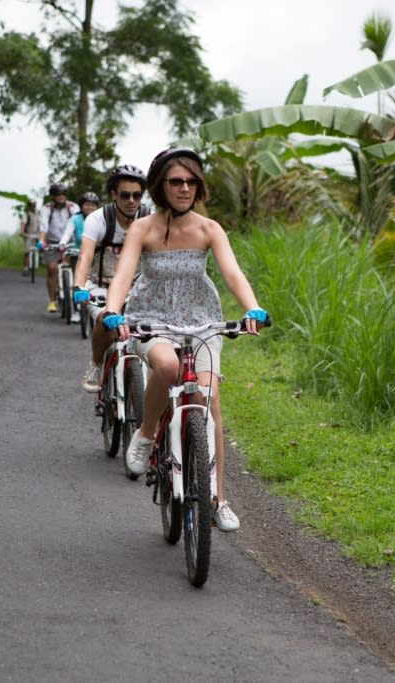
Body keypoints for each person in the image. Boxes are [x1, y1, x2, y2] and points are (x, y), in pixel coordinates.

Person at [101, 148, 269, 532]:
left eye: (191, 181)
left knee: (208, 403)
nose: (185, 188)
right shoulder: (143, 229)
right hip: (152, 320)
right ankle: (145, 436)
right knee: (168, 366)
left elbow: (232, 273)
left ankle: (217, 499)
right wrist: (114, 310)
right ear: (161, 186)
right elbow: (124, 274)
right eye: (176, 181)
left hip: (201, 322)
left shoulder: (209, 229)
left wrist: (252, 308)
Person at [71, 165, 150, 391]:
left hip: (138, 288)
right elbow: (85, 256)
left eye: (137, 195)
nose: (131, 201)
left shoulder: (149, 218)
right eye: (125, 195)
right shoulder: (98, 219)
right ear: (114, 194)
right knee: (106, 318)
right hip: (99, 285)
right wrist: (78, 285)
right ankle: (96, 363)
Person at [59, 191, 100, 323]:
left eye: (93, 205)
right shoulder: (75, 219)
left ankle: (96, 308)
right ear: (82, 205)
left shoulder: (100, 218)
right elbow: (67, 233)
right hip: (78, 253)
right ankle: (76, 311)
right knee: (77, 283)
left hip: (97, 255)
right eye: (87, 204)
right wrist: (62, 243)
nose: (90, 207)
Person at [39, 182, 79, 312]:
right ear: (53, 196)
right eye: (57, 194)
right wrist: (41, 241)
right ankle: (52, 301)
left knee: (76, 270)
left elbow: (78, 223)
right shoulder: (47, 208)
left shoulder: (72, 207)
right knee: (51, 269)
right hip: (52, 243)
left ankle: (75, 300)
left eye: (63, 193)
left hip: (70, 243)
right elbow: (43, 225)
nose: (61, 196)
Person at [17, 199, 40, 276]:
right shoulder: (26, 214)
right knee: (27, 252)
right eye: (31, 205)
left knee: (41, 248)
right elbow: (23, 224)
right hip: (28, 235)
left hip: (38, 235)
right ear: (29, 206)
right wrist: (22, 232)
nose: (33, 206)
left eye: (34, 205)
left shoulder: (39, 214)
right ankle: (26, 268)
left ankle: (41, 260)